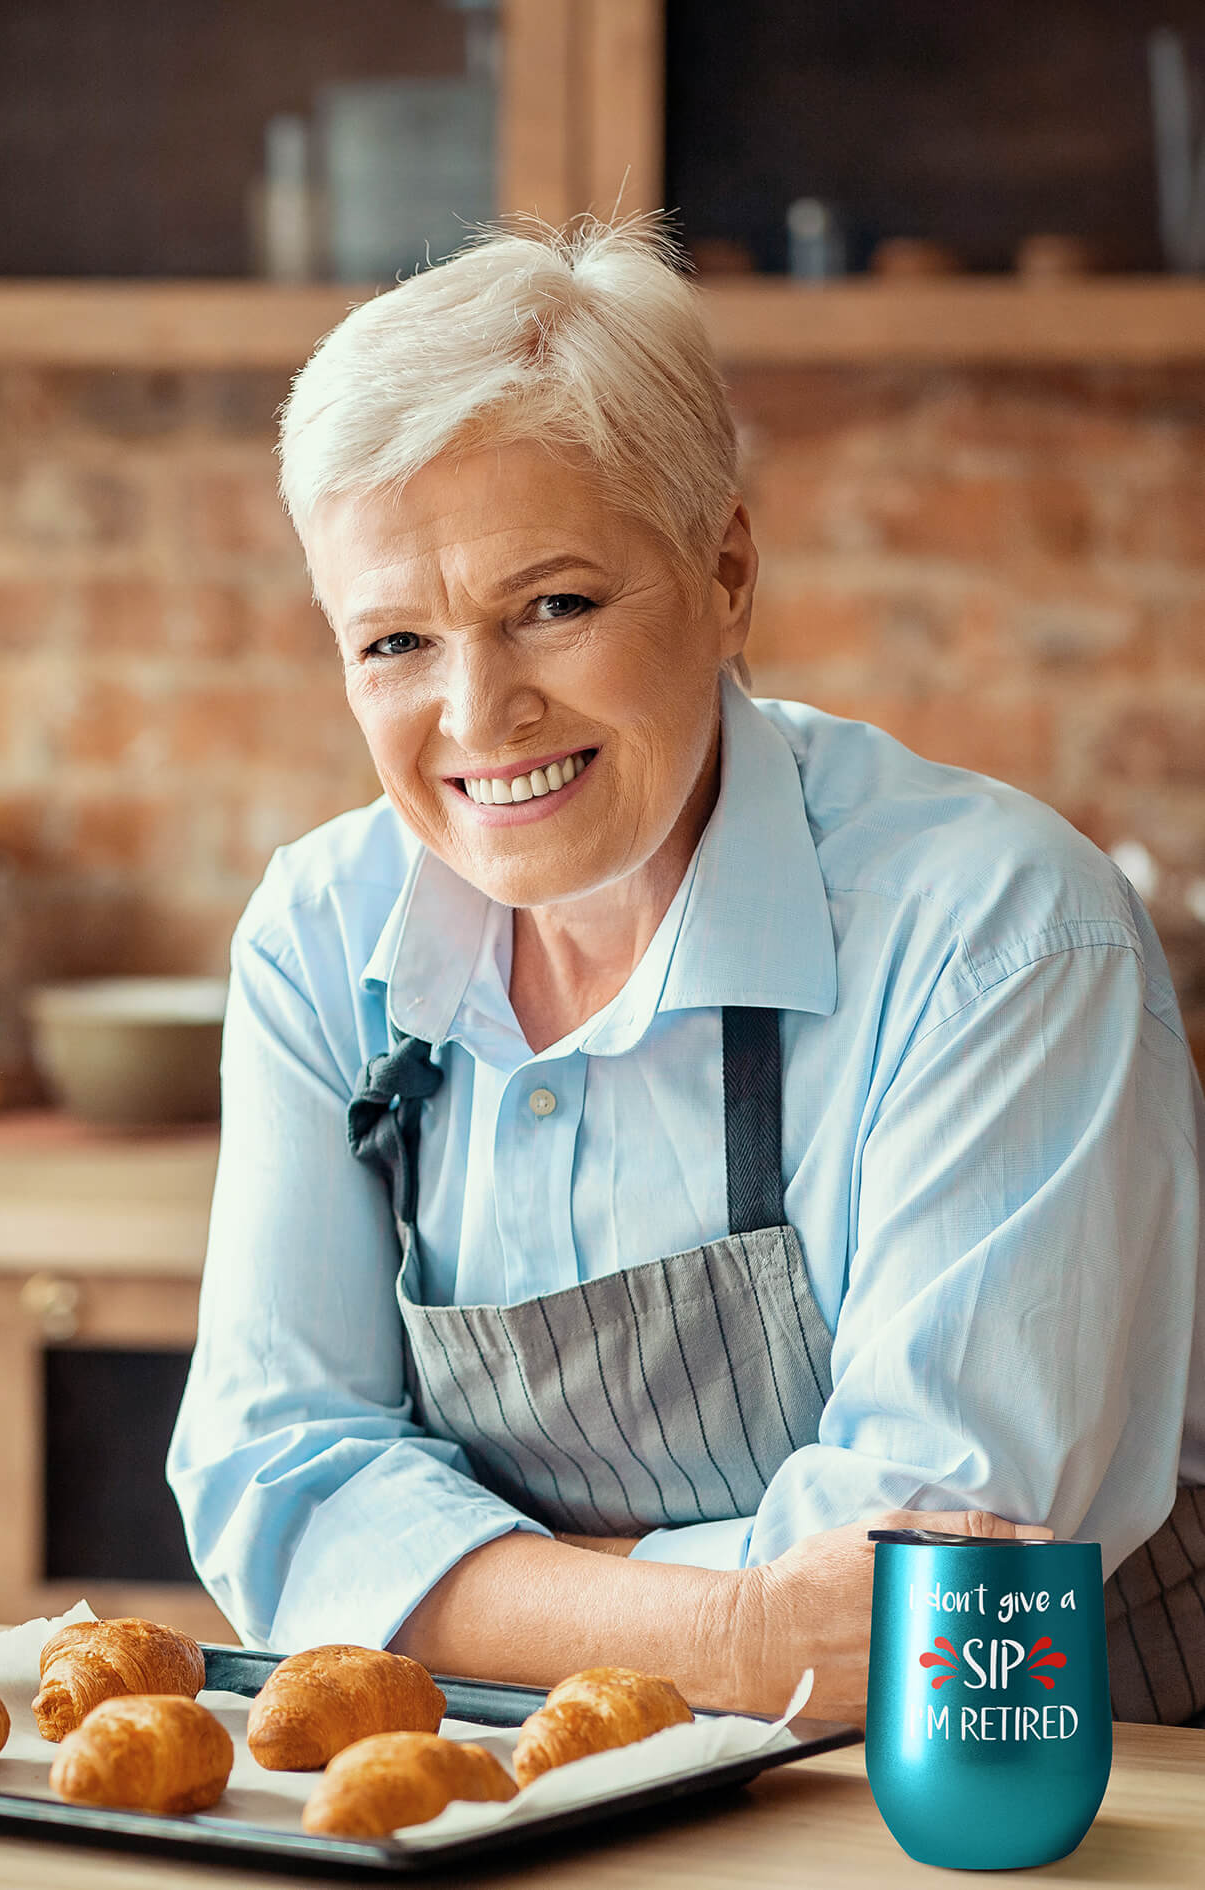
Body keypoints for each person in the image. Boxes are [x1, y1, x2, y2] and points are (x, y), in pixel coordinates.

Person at [167, 212, 1205, 1729]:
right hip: (544, 1795)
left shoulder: (998, 934)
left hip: (1015, 1802)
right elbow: (271, 1479)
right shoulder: (321, 935)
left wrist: (446, 1577)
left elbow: (925, 1592)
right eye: (393, 641)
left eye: (554, 604)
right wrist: (727, 1632)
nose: (480, 713)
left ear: (723, 569)